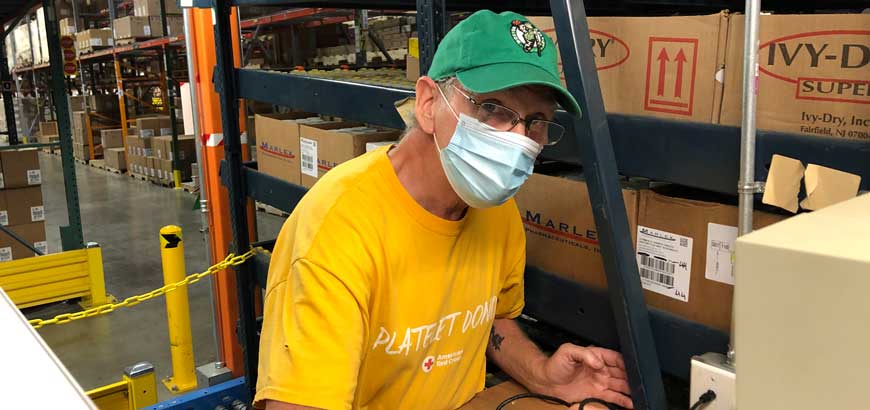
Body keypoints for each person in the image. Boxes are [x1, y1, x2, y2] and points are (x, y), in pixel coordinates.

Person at [255, 10, 633, 410]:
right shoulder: (338, 231)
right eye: (492, 108)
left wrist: (543, 374)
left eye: (536, 121)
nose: (518, 140)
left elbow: (487, 320)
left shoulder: (495, 210)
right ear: (428, 102)